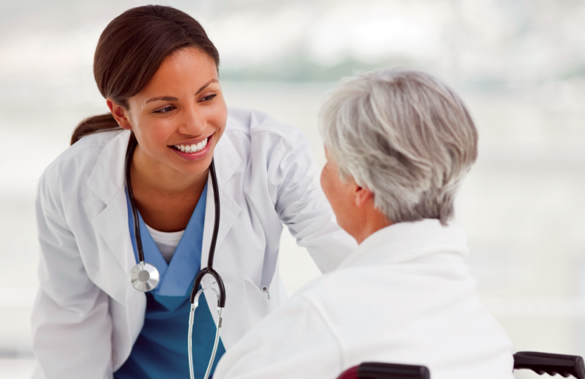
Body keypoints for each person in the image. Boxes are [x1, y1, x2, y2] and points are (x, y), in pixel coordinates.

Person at [31, 5, 355, 379]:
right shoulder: (70, 181)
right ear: (121, 114)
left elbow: (349, 256)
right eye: (166, 108)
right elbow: (68, 321)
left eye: (207, 97)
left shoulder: (272, 155)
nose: (196, 125)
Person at [212, 69, 515, 379]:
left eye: (329, 161)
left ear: (359, 186)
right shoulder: (486, 334)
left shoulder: (322, 316)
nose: (322, 174)